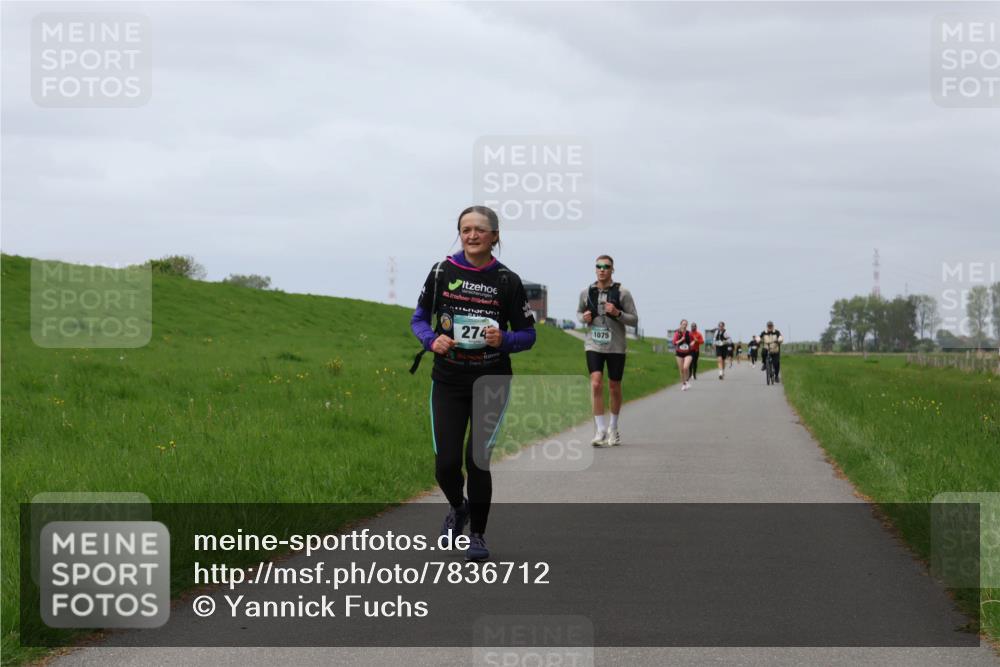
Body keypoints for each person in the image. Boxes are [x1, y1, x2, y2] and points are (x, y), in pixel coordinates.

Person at [410, 206, 536, 561]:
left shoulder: (507, 281)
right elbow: (419, 318)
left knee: (477, 459)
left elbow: (528, 334)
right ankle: (458, 507)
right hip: (448, 379)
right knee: (446, 464)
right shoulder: (441, 272)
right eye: (465, 229)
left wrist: (505, 340)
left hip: (491, 380)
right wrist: (431, 340)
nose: (472, 235)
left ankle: (477, 536)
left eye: (480, 229)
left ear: (495, 236)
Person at [577, 255, 639, 447]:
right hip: (593, 344)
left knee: (614, 386)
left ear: (613, 270)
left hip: (616, 345)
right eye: (599, 266)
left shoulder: (623, 293)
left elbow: (634, 319)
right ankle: (600, 430)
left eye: (606, 266)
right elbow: (579, 313)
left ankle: (613, 427)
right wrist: (584, 318)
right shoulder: (586, 292)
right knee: (596, 384)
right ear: (595, 269)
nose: (602, 269)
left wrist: (617, 313)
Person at [672, 319, 695, 391]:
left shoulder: (689, 333)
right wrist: (681, 340)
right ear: (680, 325)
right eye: (683, 324)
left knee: (685, 367)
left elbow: (694, 340)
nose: (684, 325)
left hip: (688, 352)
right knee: (681, 369)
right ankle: (684, 384)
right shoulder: (677, 333)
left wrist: (692, 343)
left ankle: (687, 381)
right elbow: (674, 342)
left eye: (686, 324)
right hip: (679, 353)